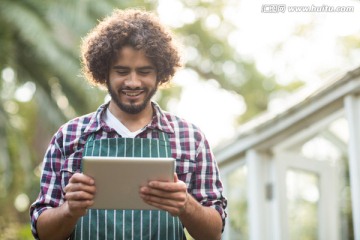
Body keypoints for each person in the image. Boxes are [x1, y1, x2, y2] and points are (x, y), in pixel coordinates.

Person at [30, 8, 227, 240]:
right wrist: (69, 210)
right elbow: (42, 232)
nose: (133, 82)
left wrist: (186, 205)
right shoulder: (69, 136)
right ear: (104, 73)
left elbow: (214, 232)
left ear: (160, 74)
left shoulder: (190, 139)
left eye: (144, 72)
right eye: (122, 71)